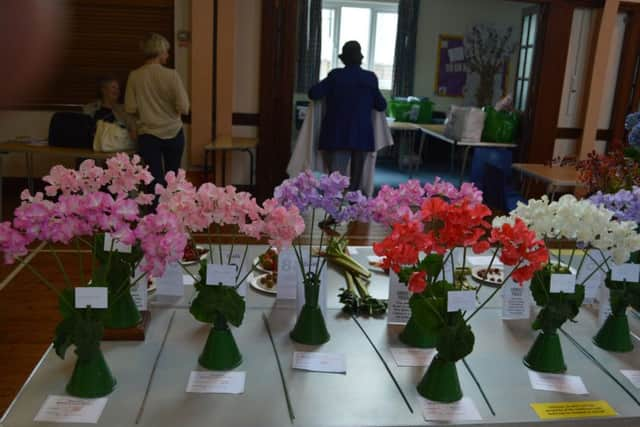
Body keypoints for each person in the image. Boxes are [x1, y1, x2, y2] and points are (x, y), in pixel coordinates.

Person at [308, 40, 387, 192]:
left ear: (344, 59)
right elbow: (381, 105)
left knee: (335, 183)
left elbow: (313, 93)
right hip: (361, 135)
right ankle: (354, 210)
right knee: (355, 185)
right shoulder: (370, 78)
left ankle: (334, 211)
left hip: (336, 134)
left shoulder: (335, 76)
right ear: (360, 58)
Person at [125, 32, 190, 186]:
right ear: (159, 51)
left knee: (153, 181)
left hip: (148, 135)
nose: (167, 55)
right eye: (166, 51)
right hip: (173, 133)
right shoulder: (172, 75)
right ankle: (171, 209)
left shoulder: (135, 76)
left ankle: (154, 210)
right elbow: (185, 107)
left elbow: (130, 108)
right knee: (172, 180)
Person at [83, 75, 136, 141]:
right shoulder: (90, 108)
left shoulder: (124, 109)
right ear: (103, 90)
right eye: (113, 87)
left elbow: (132, 127)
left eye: (118, 88)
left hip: (117, 144)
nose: (117, 91)